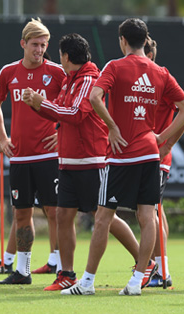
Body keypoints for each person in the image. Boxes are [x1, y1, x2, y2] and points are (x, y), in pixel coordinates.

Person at [62, 18, 184, 296]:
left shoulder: (115, 66)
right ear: (145, 41)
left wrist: (112, 126)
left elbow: (95, 97)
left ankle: (87, 282)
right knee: (148, 217)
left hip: (121, 155)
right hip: (149, 155)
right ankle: (137, 281)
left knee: (102, 218)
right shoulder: (160, 72)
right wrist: (161, 138)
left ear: (122, 40)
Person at [22, 33, 141, 291]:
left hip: (91, 159)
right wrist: (37, 105)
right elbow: (62, 112)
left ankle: (145, 260)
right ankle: (67, 274)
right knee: (64, 215)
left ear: (65, 56)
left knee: (103, 216)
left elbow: (75, 114)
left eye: (59, 55)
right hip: (68, 161)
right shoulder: (69, 80)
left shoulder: (88, 79)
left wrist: (42, 103)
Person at [0, 18, 66, 284]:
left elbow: (76, 102)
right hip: (20, 156)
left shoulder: (57, 72)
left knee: (55, 211)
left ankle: (59, 265)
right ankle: (23, 271)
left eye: (44, 45)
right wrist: (3, 137)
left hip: (48, 156)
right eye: (35, 44)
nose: (40, 50)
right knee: (21, 213)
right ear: (23, 43)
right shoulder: (8, 72)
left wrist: (60, 131)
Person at [142, 37, 184, 288]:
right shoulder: (136, 79)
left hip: (156, 157)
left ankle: (161, 271)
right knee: (152, 212)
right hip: (139, 155)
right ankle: (157, 268)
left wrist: (168, 143)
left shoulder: (161, 77)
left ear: (148, 54)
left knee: (151, 212)